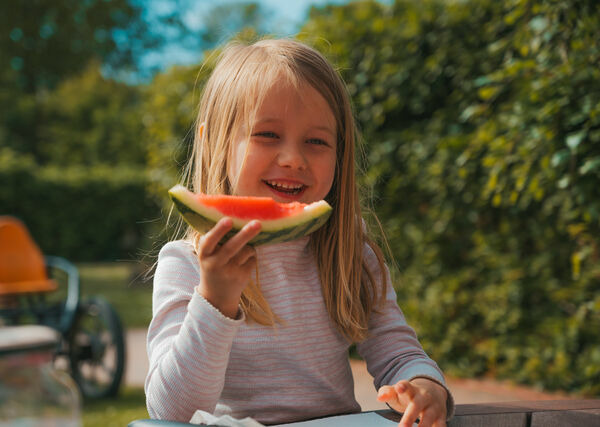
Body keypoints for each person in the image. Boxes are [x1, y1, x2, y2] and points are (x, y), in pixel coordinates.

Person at [145, 38, 454, 427]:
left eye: (316, 141)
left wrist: (425, 385)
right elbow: (168, 412)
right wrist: (215, 301)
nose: (293, 158)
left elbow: (396, 354)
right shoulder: (186, 263)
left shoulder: (348, 253)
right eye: (267, 135)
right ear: (214, 143)